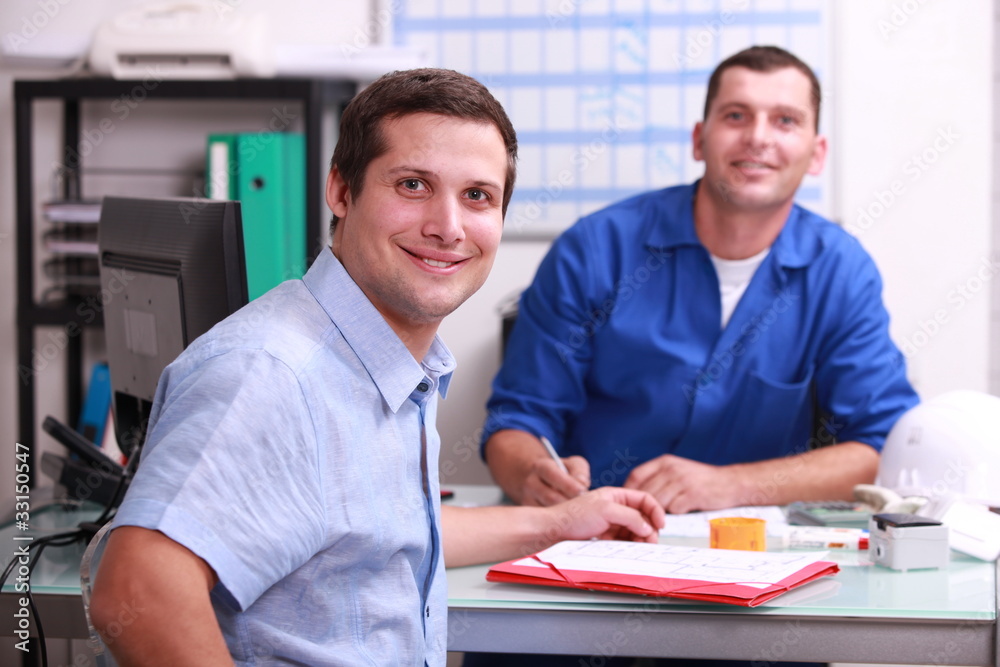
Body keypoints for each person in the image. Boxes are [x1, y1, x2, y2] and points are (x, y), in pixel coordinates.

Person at [88, 68, 665, 667]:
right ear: (341, 190)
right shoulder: (273, 372)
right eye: (413, 185)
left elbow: (381, 529)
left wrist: (562, 523)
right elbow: (138, 589)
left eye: (477, 196)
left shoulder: (384, 362)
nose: (448, 227)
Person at [466, 43, 920, 667]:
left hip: (752, 601)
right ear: (700, 138)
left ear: (816, 154)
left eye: (784, 120)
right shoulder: (596, 248)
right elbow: (515, 423)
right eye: (737, 116)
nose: (759, 138)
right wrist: (531, 476)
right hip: (579, 577)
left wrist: (727, 485)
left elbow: (877, 448)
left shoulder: (841, 272)